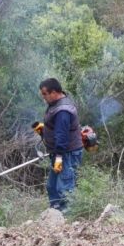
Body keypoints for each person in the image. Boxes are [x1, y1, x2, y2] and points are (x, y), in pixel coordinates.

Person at [34, 78, 84, 212]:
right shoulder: (55, 104)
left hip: (66, 154)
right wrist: (43, 130)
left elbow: (62, 136)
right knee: (52, 186)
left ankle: (68, 218)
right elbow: (56, 128)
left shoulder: (62, 110)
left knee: (65, 187)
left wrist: (58, 157)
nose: (43, 97)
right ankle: (55, 213)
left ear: (54, 92)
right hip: (59, 153)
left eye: (45, 94)